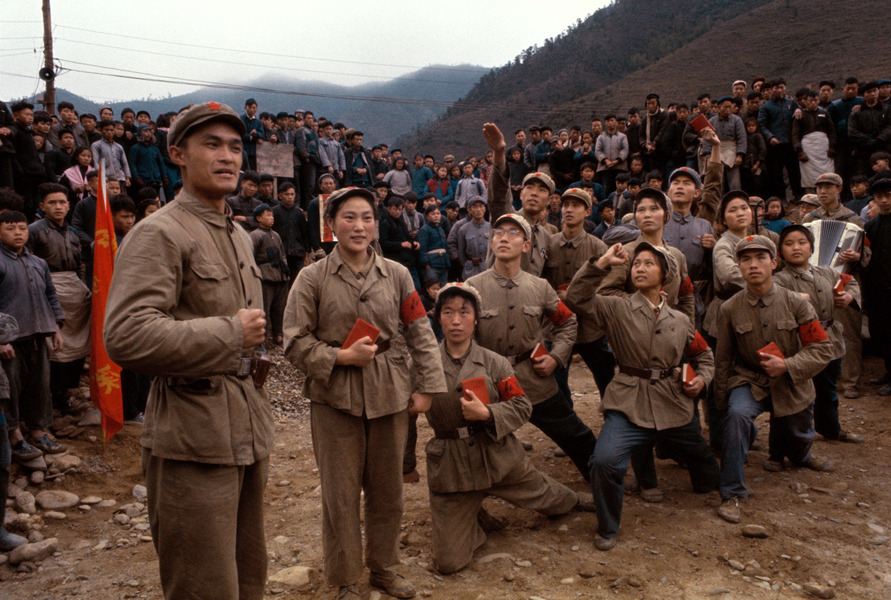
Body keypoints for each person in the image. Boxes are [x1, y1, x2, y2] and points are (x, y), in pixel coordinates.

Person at [104, 102, 274, 600]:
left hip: (244, 429)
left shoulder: (239, 234)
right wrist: (227, 334)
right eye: (212, 144)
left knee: (247, 579)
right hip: (191, 437)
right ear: (176, 154)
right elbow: (126, 335)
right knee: (204, 587)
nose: (228, 157)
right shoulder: (159, 233)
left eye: (236, 147)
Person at [283, 186, 445, 600]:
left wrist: (427, 387)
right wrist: (340, 357)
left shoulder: (397, 273)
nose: (359, 226)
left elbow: (420, 331)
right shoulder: (312, 277)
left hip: (390, 390)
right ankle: (343, 579)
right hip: (334, 397)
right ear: (331, 224)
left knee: (387, 490)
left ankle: (385, 569)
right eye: (349, 217)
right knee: (339, 495)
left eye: (367, 218)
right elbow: (294, 342)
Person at [424, 282, 594, 574]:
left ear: (476, 319)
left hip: (498, 459)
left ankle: (573, 499)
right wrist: (405, 465)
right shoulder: (424, 365)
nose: (455, 320)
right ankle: (474, 520)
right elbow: (404, 415)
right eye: (448, 312)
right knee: (448, 563)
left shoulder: (495, 363)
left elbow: (522, 406)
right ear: (438, 317)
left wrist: (487, 413)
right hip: (452, 470)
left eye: (464, 312)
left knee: (552, 498)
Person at [571, 242, 719, 550]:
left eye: (649, 263)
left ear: (665, 276)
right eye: (636, 263)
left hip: (673, 401)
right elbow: (576, 298)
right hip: (628, 401)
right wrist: (602, 263)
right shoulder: (617, 306)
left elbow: (704, 355)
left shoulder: (679, 320)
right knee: (604, 462)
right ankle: (608, 526)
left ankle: (712, 485)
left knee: (701, 459)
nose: (639, 267)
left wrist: (702, 380)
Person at [466, 213, 597, 480]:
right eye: (498, 233)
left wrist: (556, 358)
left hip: (533, 380)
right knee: (472, 444)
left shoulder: (540, 288)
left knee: (576, 434)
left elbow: (567, 323)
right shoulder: (472, 288)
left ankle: (601, 477)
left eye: (513, 234)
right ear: (491, 243)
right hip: (490, 383)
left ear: (527, 246)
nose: (504, 238)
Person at [714, 235, 834, 524]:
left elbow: (822, 348)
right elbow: (723, 359)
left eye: (760, 258)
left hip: (791, 381)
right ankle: (732, 492)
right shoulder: (729, 308)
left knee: (798, 434)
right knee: (737, 416)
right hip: (750, 381)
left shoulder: (796, 303)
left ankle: (801, 455)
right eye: (745, 260)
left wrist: (788, 365)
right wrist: (720, 404)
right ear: (739, 267)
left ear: (774, 263)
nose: (753, 265)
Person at [774, 225, 863, 443]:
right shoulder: (779, 280)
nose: (796, 248)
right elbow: (772, 297)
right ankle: (794, 439)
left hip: (829, 339)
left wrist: (849, 297)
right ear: (780, 252)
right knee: (797, 393)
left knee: (828, 390)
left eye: (802, 242)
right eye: (789, 243)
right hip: (799, 343)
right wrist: (793, 298)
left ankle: (831, 428)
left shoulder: (827, 271)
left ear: (812, 248)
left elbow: (849, 281)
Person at [0, 208, 66, 463]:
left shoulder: (37, 263)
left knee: (39, 385)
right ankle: (15, 436)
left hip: (38, 334)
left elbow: (50, 295)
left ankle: (38, 431)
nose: (18, 233)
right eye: (10, 228)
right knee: (12, 389)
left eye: (22, 228)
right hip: (10, 341)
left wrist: (56, 327)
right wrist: (1, 339)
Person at [27, 183, 90, 414]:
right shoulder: (33, 231)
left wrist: (82, 288)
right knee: (55, 347)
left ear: (69, 205)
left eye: (62, 202)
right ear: (42, 206)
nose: (58, 207)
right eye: (52, 202)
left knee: (78, 347)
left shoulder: (73, 233)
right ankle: (56, 397)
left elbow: (80, 266)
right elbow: (29, 265)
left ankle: (71, 392)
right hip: (49, 291)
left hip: (75, 294)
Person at [544, 189, 612, 399]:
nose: (569, 210)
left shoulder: (598, 247)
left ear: (587, 211)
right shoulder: (549, 244)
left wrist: (573, 297)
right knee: (555, 384)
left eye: (576, 205)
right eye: (566, 205)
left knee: (606, 379)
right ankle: (568, 424)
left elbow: (605, 289)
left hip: (590, 327)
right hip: (557, 326)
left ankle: (612, 419)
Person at [861, 172, 891, 394]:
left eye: (888, 195)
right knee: (881, 333)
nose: (884, 200)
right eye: (879, 196)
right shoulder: (871, 226)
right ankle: (888, 372)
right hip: (877, 290)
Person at [250, 204, 289, 346]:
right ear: (259, 218)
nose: (271, 218)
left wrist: (285, 270)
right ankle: (261, 340)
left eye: (272, 215)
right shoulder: (255, 235)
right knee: (264, 308)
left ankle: (279, 335)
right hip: (265, 276)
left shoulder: (276, 234)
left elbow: (282, 254)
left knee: (280, 308)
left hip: (280, 274)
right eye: (268, 215)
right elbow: (251, 257)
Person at [792, 90, 837, 191]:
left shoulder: (824, 113)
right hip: (807, 147)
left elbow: (832, 131)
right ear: (805, 101)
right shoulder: (800, 114)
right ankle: (811, 196)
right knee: (808, 173)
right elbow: (795, 134)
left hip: (824, 147)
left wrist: (832, 146)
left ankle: (830, 193)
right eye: (810, 100)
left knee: (828, 172)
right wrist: (799, 151)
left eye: (816, 100)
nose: (813, 103)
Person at [271, 182, 310, 284]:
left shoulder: (299, 213)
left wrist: (307, 251)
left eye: (292, 194)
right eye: (286, 194)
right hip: (281, 252)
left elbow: (304, 233)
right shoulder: (274, 212)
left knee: (297, 282)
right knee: (282, 282)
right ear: (280, 196)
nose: (290, 197)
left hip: (297, 253)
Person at [455, 196, 490, 280]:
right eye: (475, 207)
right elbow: (461, 253)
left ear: (485, 209)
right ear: (469, 209)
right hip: (470, 270)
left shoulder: (491, 228)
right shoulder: (463, 229)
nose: (478, 210)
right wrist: (467, 264)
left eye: (481, 206)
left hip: (487, 267)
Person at [91, 119, 131, 187]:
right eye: (106, 130)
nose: (109, 132)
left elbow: (124, 163)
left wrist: (127, 178)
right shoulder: (96, 145)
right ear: (101, 130)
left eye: (111, 130)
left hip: (120, 179)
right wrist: (101, 177)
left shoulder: (119, 147)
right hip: (106, 179)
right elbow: (95, 163)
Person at [417, 204, 449, 286]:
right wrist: (427, 266)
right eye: (433, 214)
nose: (436, 216)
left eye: (438, 213)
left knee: (443, 288)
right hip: (431, 265)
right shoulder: (424, 230)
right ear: (427, 216)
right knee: (433, 287)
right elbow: (422, 249)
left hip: (443, 264)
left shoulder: (441, 229)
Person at [241, 98, 264, 171]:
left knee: (253, 172)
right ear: (245, 107)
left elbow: (262, 134)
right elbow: (241, 134)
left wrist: (256, 133)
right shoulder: (241, 119)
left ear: (256, 109)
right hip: (243, 151)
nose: (252, 110)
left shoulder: (258, 122)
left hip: (254, 153)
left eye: (254, 108)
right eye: (250, 107)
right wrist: (253, 137)